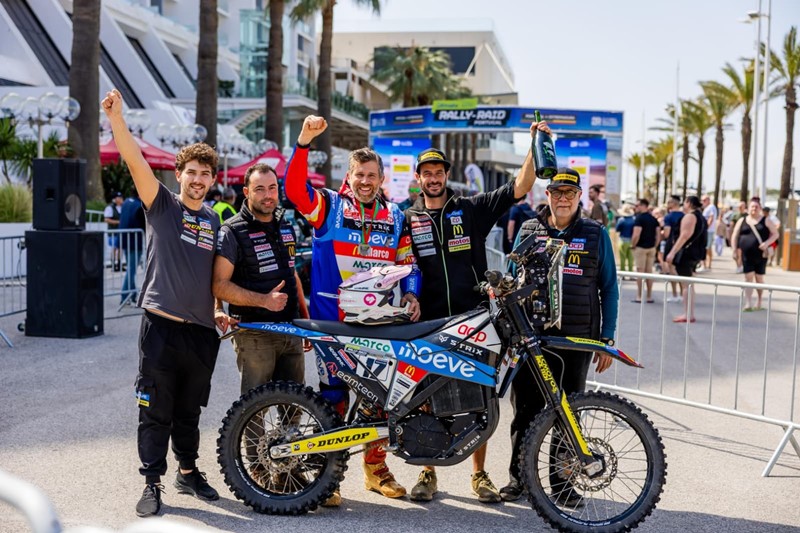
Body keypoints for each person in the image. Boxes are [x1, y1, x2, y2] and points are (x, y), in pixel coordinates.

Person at [403, 119, 543, 504]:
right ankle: (428, 472)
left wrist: (534, 144)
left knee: (480, 400)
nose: (433, 178)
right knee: (425, 400)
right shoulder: (408, 218)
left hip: (476, 322)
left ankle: (479, 474)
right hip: (429, 325)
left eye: (438, 172)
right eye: (427, 173)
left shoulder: (470, 209)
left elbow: (520, 186)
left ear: (446, 175)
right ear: (418, 178)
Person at [284, 115, 421, 507]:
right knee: (334, 397)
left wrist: (412, 295)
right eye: (359, 174)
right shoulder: (328, 206)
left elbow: (409, 264)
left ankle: (375, 470)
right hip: (332, 324)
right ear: (349, 176)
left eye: (371, 175)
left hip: (379, 325)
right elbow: (293, 189)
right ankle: (329, 474)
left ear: (381, 179)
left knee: (379, 398)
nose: (365, 181)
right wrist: (303, 142)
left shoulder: (396, 216)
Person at [102, 89, 223, 518]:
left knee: (189, 411)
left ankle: (187, 473)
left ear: (213, 180)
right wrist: (117, 119)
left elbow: (213, 275)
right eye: (191, 172)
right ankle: (152, 482)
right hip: (161, 327)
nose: (198, 179)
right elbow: (134, 160)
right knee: (155, 408)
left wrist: (220, 309)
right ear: (178, 174)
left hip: (202, 333)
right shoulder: (162, 205)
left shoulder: (214, 220)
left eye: (205, 173)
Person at [502, 167, 618, 505]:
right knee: (525, 412)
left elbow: (609, 288)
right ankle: (519, 479)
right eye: (557, 192)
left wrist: (606, 339)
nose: (563, 199)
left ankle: (563, 485)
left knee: (569, 413)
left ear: (579, 196)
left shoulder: (596, 233)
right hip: (531, 338)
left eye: (569, 193)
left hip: (577, 339)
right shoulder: (529, 229)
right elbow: (510, 280)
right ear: (548, 195)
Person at [213, 163, 310, 395]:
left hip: (291, 329)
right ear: (246, 192)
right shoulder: (231, 231)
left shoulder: (285, 226)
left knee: (295, 405)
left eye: (272, 188)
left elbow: (292, 273)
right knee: (254, 408)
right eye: (260, 189)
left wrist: (305, 320)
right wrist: (263, 300)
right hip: (254, 332)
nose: (268, 195)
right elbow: (219, 285)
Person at [730, 198, 779, 311]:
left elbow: (776, 234)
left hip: (761, 255)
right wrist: (734, 250)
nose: (754, 209)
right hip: (746, 255)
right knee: (748, 277)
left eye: (756, 207)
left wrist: (767, 243)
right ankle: (748, 302)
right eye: (752, 206)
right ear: (748, 208)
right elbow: (735, 235)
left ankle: (759, 301)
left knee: (759, 278)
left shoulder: (766, 220)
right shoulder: (742, 220)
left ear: (760, 208)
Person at [665, 196, 707, 323]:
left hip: (686, 255)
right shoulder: (701, 217)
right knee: (689, 284)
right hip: (695, 254)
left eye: (685, 202)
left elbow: (684, 235)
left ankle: (688, 314)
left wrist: (672, 252)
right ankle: (689, 313)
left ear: (688, 203)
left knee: (686, 285)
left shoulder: (690, 217)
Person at [119, 189, 146, 305]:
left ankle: (133, 295)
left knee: (131, 268)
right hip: (135, 241)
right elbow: (144, 224)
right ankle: (124, 296)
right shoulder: (139, 206)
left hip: (125, 239)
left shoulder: (126, 202)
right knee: (132, 269)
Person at [630, 198, 660, 303]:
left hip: (641, 248)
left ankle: (639, 296)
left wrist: (633, 245)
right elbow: (658, 235)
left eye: (637, 205)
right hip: (651, 248)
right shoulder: (653, 219)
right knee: (649, 273)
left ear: (643, 206)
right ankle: (649, 296)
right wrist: (655, 246)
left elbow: (636, 234)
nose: (636, 207)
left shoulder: (639, 218)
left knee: (640, 273)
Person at [661, 195, 684, 302]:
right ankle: (682, 293)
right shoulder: (684, 215)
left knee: (672, 269)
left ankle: (675, 294)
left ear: (673, 204)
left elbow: (666, 233)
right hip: (682, 244)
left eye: (669, 202)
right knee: (680, 270)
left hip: (671, 243)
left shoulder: (668, 217)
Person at [105, 191, 124, 271]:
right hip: (113, 232)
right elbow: (106, 219)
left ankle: (119, 265)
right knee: (114, 248)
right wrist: (118, 222)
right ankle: (113, 265)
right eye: (119, 198)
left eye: (121, 197)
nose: (121, 199)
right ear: (115, 199)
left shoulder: (123, 207)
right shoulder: (110, 207)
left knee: (120, 248)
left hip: (121, 231)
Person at [614, 203, 635, 272]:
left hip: (622, 240)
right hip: (632, 240)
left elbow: (617, 229)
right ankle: (631, 273)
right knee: (631, 258)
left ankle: (623, 273)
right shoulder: (634, 219)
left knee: (622, 258)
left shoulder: (621, 220)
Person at [700, 195, 718, 271]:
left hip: (708, 230)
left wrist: (705, 228)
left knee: (706, 247)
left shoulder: (711, 207)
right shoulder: (707, 208)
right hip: (708, 230)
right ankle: (707, 265)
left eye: (704, 200)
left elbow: (711, 218)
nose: (703, 202)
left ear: (708, 200)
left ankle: (706, 265)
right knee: (708, 247)